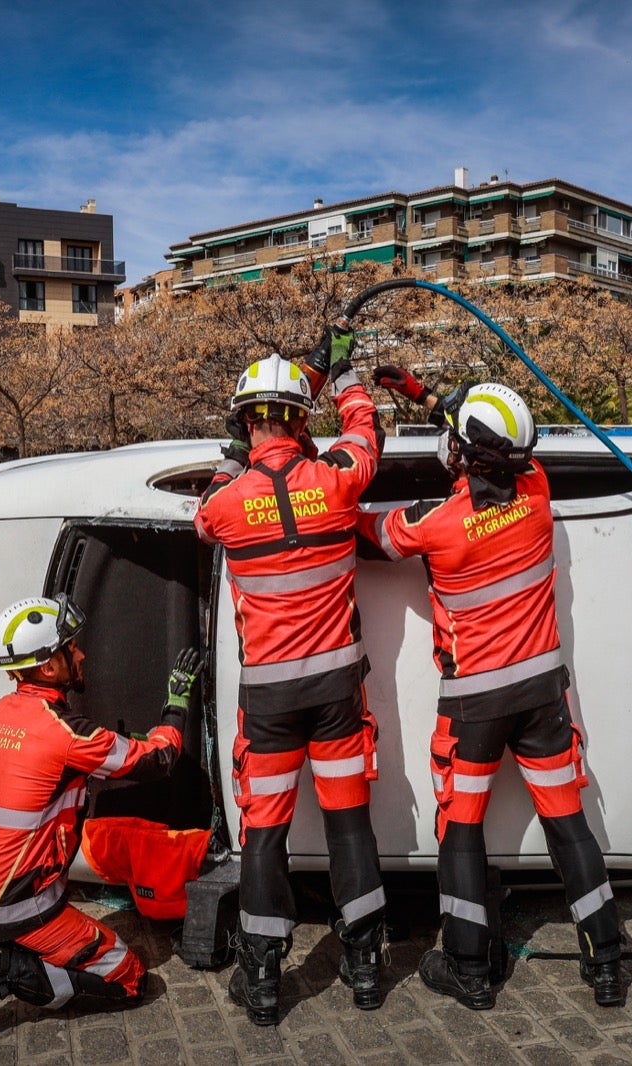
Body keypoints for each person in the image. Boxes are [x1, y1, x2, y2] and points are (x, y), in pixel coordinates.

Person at [361, 367, 627, 1010]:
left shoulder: (434, 525)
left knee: (462, 832)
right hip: (542, 695)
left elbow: (366, 535)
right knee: (570, 829)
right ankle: (609, 965)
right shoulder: (536, 490)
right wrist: (433, 400)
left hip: (473, 706)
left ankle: (468, 969)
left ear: (462, 452)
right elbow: (485, 441)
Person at [193, 334, 388, 1025]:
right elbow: (366, 435)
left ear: (248, 424)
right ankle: (366, 966)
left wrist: (234, 451)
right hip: (338, 694)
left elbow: (209, 508)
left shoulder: (224, 504)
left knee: (266, 837)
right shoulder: (337, 479)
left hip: (270, 703)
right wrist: (347, 378)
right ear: (304, 424)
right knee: (349, 828)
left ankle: (266, 982)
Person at [0, 595, 199, 1046]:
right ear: (47, 667)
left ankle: (11, 951)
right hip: (10, 905)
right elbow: (160, 759)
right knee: (130, 979)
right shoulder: (69, 735)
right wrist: (175, 705)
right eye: (71, 647)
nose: (81, 653)